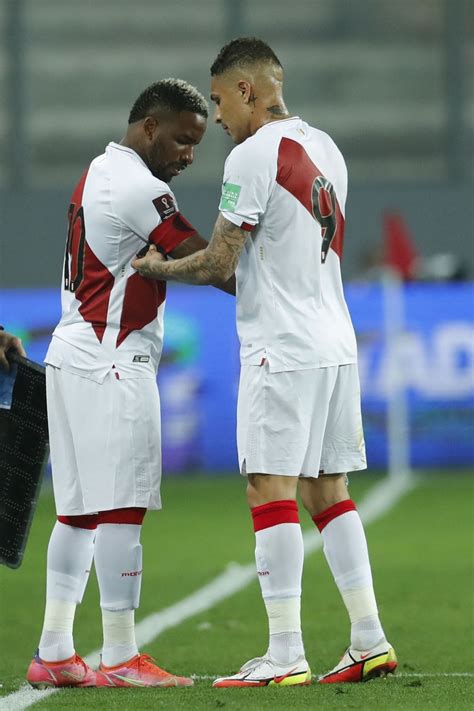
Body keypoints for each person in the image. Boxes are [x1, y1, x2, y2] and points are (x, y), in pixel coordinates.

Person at [133, 38, 397, 688]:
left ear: (248, 90)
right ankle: (369, 638)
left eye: (220, 100)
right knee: (325, 490)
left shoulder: (253, 155)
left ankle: (284, 652)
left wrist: (156, 267)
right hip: (334, 341)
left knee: (268, 487)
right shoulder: (326, 148)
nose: (218, 117)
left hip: (283, 347)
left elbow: (222, 260)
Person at [27, 78, 233, 690]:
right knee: (121, 506)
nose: (188, 155)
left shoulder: (100, 169)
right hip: (113, 359)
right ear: (149, 127)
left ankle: (56, 651)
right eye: (181, 140)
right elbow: (211, 262)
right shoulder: (141, 187)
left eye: (196, 144)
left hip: (71, 352)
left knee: (77, 514)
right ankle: (120, 656)